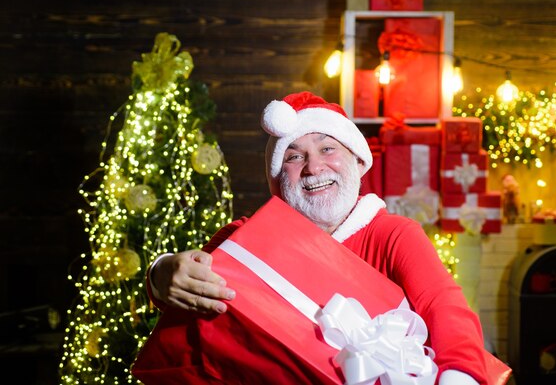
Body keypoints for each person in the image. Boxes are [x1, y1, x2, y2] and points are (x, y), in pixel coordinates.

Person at [147, 91, 495, 384]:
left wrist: (459, 376)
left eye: (327, 149)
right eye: (294, 157)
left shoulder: (392, 235)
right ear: (278, 183)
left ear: (358, 162)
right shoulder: (244, 240)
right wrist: (161, 274)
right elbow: (185, 288)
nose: (313, 167)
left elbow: (444, 307)